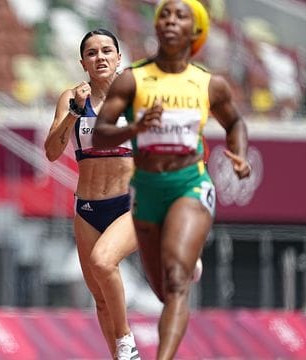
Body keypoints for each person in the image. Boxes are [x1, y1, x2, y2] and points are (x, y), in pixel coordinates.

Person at [92, 1, 251, 359]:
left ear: (196, 32)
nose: (170, 21)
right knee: (163, 289)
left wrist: (238, 152)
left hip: (189, 182)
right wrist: (135, 128)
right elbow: (99, 135)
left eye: (181, 16)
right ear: (156, 25)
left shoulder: (210, 83)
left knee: (177, 283)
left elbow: (235, 123)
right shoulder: (132, 79)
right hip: (147, 188)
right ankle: (180, 257)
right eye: (165, 14)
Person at [44, 29, 140, 360]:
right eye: (92, 53)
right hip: (87, 208)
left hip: (129, 204)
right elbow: (52, 152)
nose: (99, 57)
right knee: (99, 297)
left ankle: (126, 339)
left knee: (103, 262)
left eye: (106, 51)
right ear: (82, 62)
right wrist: (74, 111)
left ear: (118, 58)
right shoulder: (71, 97)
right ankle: (119, 355)